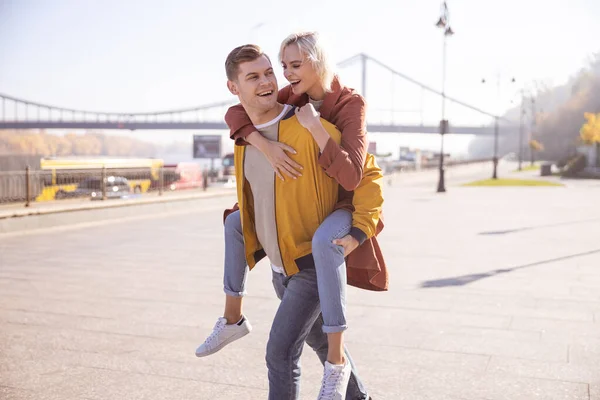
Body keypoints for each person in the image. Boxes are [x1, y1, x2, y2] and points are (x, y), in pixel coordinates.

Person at [195, 44, 382, 400]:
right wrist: (261, 144)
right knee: (315, 342)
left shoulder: (316, 123)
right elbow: (238, 122)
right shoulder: (246, 135)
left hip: (314, 264)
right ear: (233, 88)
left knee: (280, 353)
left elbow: (364, 172)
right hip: (282, 267)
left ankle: (238, 322)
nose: (270, 81)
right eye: (256, 76)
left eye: (272, 73)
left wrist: (360, 227)